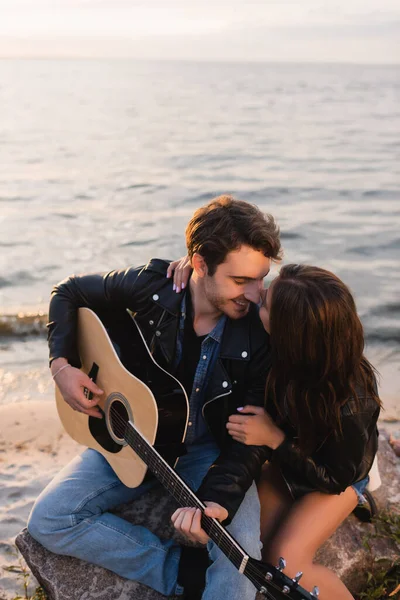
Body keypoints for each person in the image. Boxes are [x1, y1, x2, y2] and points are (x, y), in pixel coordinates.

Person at [27, 195, 282, 600]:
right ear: (199, 264)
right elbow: (69, 291)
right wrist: (62, 366)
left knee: (239, 562)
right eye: (240, 281)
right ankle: (178, 573)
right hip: (134, 438)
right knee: (51, 519)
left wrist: (215, 501)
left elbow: (246, 442)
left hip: (209, 453)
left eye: (261, 278)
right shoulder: (154, 286)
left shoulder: (260, 331)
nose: (255, 294)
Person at [171, 262, 381, 600]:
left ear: (289, 331)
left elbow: (334, 478)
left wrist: (275, 439)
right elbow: (220, 276)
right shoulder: (283, 353)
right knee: (248, 554)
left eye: (266, 301)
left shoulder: (351, 399)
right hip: (284, 466)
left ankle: (361, 498)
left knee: (284, 563)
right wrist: (189, 267)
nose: (257, 296)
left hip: (333, 478)